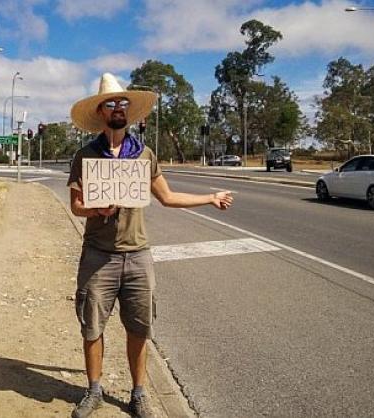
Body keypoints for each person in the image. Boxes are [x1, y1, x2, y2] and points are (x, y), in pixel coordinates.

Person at [67, 73, 233, 418]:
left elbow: (168, 197)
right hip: (98, 256)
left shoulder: (144, 154)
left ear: (129, 111)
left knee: (139, 328)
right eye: (110, 103)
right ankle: (94, 390)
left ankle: (139, 392)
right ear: (100, 111)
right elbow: (76, 206)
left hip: (138, 255)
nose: (117, 108)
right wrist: (95, 209)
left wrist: (210, 197)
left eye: (122, 103)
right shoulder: (85, 156)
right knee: (92, 326)